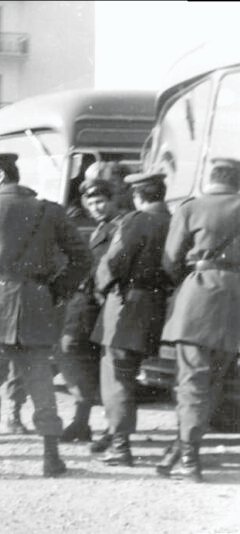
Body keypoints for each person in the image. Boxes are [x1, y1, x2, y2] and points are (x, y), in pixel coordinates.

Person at [0, 153, 91, 478]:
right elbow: (83, 257)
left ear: (0, 174)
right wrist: (57, 291)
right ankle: (51, 457)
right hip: (37, 305)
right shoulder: (49, 211)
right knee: (41, 383)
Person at [157, 158, 240, 482]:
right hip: (235, 302)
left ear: (211, 179)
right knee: (214, 383)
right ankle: (182, 447)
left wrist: (190, 279)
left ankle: (188, 457)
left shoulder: (191, 209)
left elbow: (170, 261)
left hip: (199, 299)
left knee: (192, 383)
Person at [91, 172, 171, 467]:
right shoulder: (172, 220)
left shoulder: (136, 221)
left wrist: (100, 289)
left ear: (137, 195)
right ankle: (115, 436)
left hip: (126, 305)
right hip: (155, 304)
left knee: (117, 376)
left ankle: (120, 445)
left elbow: (113, 263)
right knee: (128, 372)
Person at [58, 178, 123, 445]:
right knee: (80, 360)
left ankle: (112, 428)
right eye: (91, 202)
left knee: (104, 367)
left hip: (103, 306)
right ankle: (82, 421)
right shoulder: (98, 229)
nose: (95, 207)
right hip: (88, 307)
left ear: (111, 201)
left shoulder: (119, 227)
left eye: (100, 202)